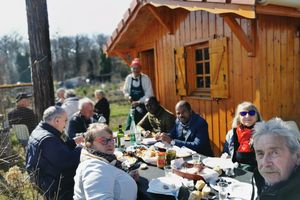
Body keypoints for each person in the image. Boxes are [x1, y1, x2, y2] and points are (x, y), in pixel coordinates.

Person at [25, 106, 83, 200]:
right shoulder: (48, 139)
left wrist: (73, 142)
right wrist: (82, 148)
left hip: (44, 179)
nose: (66, 124)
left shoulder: (40, 130)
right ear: (56, 121)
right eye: (65, 120)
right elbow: (67, 161)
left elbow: (57, 151)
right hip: (53, 186)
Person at [73, 123, 138, 200]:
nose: (110, 144)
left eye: (111, 139)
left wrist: (127, 177)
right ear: (90, 144)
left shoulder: (102, 159)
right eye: (103, 140)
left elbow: (109, 178)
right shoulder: (93, 167)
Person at [251, 118, 300, 200]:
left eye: (274, 153)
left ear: (298, 156)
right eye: (260, 153)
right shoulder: (262, 179)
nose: (265, 162)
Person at [223, 102, 263, 170]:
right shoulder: (231, 134)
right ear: (239, 117)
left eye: (251, 113)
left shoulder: (265, 134)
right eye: (243, 113)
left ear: (257, 116)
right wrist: (226, 157)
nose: (247, 116)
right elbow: (226, 153)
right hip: (236, 171)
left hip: (259, 172)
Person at [123, 58, 154, 130]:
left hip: (145, 108)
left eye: (137, 68)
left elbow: (149, 94)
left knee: (144, 128)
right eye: (134, 68)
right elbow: (125, 90)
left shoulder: (145, 78)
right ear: (131, 69)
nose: (135, 70)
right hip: (133, 108)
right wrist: (128, 97)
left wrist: (139, 102)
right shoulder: (128, 78)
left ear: (140, 69)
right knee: (129, 127)